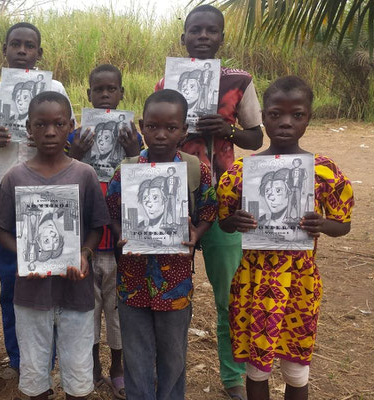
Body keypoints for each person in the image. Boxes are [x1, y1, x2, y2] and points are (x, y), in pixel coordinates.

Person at [218, 76, 353, 400]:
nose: (286, 123)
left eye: (297, 115)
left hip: (299, 284)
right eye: (276, 114)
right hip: (253, 282)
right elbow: (223, 223)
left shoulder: (323, 172)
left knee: (296, 369)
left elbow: (343, 223)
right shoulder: (241, 173)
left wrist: (322, 225)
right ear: (263, 116)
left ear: (309, 117)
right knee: (257, 369)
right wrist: (234, 221)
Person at [155, 6, 264, 397]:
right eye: (195, 30)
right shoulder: (167, 80)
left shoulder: (239, 82)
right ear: (183, 38)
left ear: (222, 38)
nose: (203, 36)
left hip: (223, 201)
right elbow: (156, 134)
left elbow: (257, 138)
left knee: (228, 294)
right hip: (174, 199)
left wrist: (229, 131)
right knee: (167, 294)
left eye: (211, 31)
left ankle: (233, 377)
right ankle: (166, 375)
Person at [0, 21, 75, 379]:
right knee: (12, 280)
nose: (21, 51)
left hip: (52, 193)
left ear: (39, 52)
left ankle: (52, 358)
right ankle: (21, 361)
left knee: (52, 279)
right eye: (14, 44)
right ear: (4, 50)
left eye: (29, 45)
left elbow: (69, 135)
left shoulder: (55, 88)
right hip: (8, 192)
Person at [0, 91, 110, 400]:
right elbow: (2, 230)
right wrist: (25, 255)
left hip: (76, 292)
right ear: (28, 128)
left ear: (70, 126)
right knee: (34, 376)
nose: (49, 132)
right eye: (41, 124)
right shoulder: (14, 178)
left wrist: (85, 254)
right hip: (31, 295)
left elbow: (97, 228)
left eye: (59, 124)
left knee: (78, 376)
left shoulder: (84, 175)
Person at [106, 89, 215, 400]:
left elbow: (209, 211)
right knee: (136, 354)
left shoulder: (196, 169)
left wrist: (197, 233)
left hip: (176, 284)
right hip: (132, 283)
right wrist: (120, 233)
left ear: (183, 131)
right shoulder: (126, 170)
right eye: (153, 126)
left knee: (173, 354)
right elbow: (111, 211)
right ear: (142, 126)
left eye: (171, 128)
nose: (161, 135)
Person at [66, 63, 142, 399]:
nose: (106, 95)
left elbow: (143, 176)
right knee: (88, 305)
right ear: (89, 94)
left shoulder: (134, 137)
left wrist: (133, 152)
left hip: (120, 241)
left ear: (122, 93)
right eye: (99, 90)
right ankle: (93, 362)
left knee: (116, 307)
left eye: (112, 89)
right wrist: (76, 153)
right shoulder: (76, 136)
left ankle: (118, 366)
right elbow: (64, 175)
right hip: (86, 239)